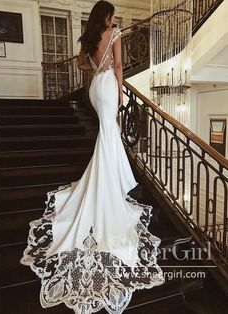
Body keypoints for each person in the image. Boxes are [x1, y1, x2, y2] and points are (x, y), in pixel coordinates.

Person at [20, 1, 165, 313]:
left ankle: (111, 177)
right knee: (109, 134)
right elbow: (119, 66)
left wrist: (97, 71)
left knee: (106, 134)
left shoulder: (88, 37)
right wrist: (122, 89)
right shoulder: (114, 32)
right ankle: (112, 181)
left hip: (95, 88)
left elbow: (81, 66)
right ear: (109, 16)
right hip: (109, 85)